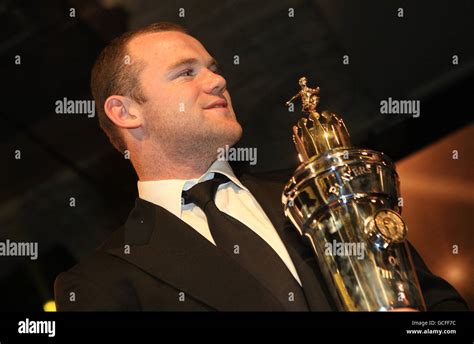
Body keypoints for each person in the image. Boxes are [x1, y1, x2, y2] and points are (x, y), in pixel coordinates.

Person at [54, 22, 468, 311]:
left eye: (214, 69)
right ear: (125, 112)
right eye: (185, 73)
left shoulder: (317, 192)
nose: (218, 82)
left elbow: (439, 303)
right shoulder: (101, 282)